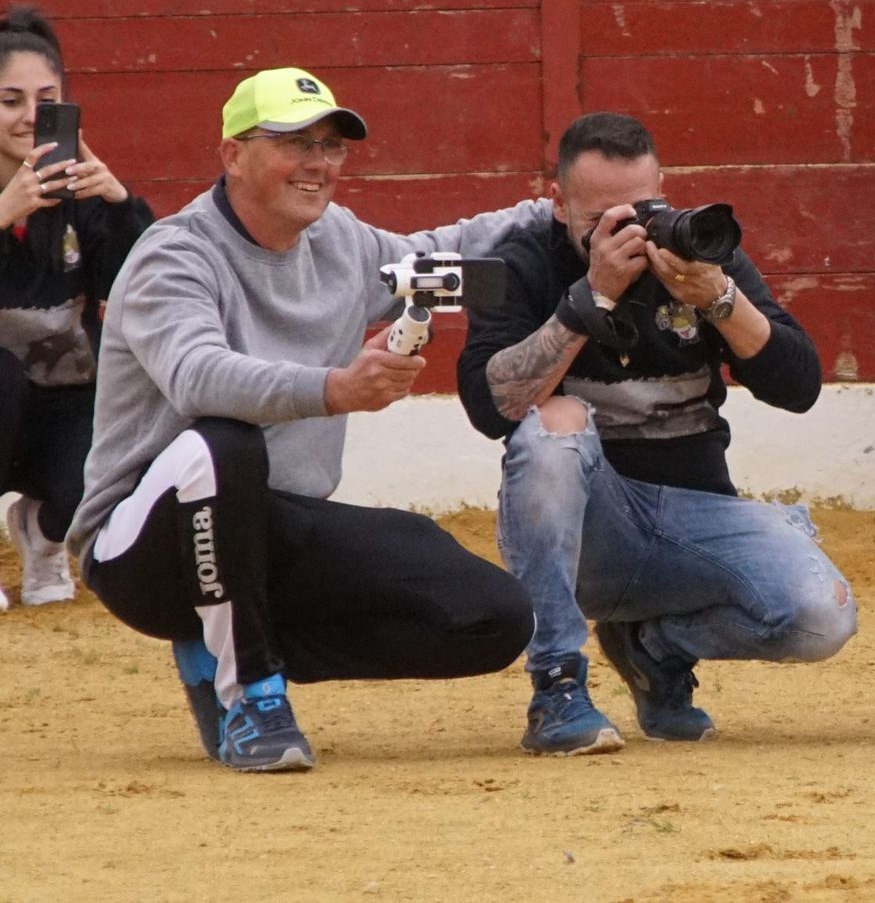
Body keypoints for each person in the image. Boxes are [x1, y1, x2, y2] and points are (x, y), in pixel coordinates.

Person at [64, 67, 543, 772]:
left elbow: (436, 260)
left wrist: (549, 220)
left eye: (332, 146)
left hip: (270, 529)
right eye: (295, 144)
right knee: (221, 442)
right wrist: (336, 389)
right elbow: (199, 376)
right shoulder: (173, 252)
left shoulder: (342, 243)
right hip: (146, 551)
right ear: (233, 155)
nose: (319, 165)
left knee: (493, 616)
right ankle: (251, 692)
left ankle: (229, 644)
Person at [457, 112, 857, 756]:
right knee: (555, 423)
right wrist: (590, 298)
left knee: (822, 617)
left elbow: (799, 386)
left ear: (664, 188)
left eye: (641, 209)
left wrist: (720, 298)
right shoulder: (521, 259)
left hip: (692, 527)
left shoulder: (698, 254)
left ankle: (653, 649)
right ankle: (557, 685)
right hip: (588, 536)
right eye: (601, 221)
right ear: (557, 202)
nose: (629, 233)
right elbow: (489, 405)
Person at [1, 5, 153, 612]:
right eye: (9, 100)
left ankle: (42, 534)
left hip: (64, 400)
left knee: (138, 426)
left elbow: (148, 286)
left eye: (47, 98)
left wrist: (120, 204)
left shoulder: (80, 194)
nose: (29, 117)